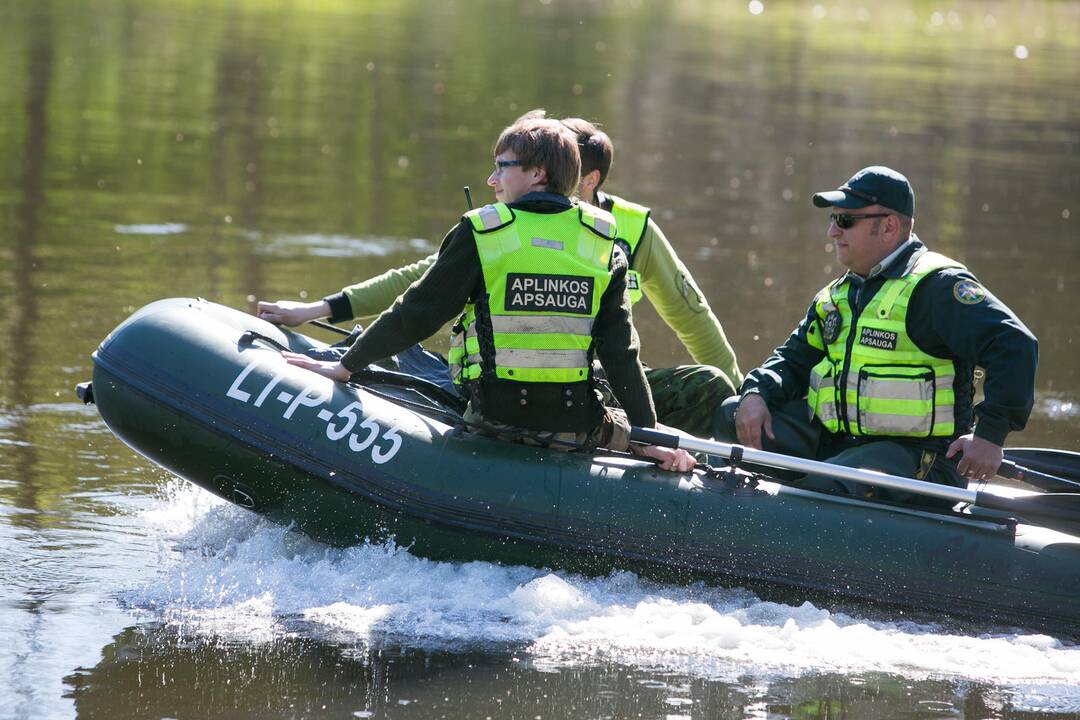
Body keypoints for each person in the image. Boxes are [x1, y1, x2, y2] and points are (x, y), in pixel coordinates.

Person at [258, 115, 741, 438]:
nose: (492, 180)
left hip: (492, 416)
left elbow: (418, 312)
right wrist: (646, 434)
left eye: (501, 168)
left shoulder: (484, 233)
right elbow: (620, 351)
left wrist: (345, 366)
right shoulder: (605, 243)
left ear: (536, 175)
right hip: (577, 422)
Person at [717, 166, 1037, 502]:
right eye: (832, 220)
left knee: (837, 481)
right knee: (732, 413)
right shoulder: (840, 294)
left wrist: (990, 435)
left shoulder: (937, 287)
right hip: (842, 444)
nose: (831, 232)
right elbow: (793, 360)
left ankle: (798, 510)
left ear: (889, 226)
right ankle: (743, 508)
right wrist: (756, 392)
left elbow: (1013, 344)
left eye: (844, 221)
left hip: (921, 458)